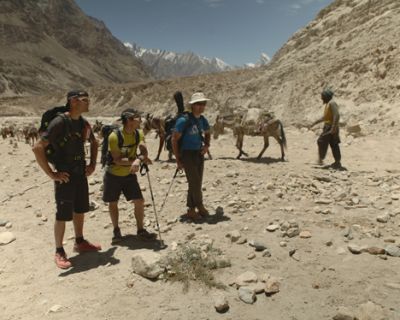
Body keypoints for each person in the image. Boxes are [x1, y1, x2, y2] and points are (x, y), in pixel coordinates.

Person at [32, 90, 100, 269]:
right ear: (73, 101)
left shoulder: (83, 123)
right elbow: (38, 148)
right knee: (62, 214)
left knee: (80, 209)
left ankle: (80, 242)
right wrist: (52, 174)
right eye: (85, 100)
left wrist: (92, 163)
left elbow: (94, 142)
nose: (88, 103)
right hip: (65, 175)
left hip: (80, 173)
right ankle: (59, 251)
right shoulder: (60, 122)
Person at [102, 108, 156, 242]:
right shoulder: (114, 137)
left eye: (138, 118)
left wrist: (140, 159)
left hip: (129, 174)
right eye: (135, 118)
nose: (138, 120)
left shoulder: (139, 134)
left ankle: (140, 230)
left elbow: (143, 150)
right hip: (113, 175)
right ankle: (116, 230)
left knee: (139, 201)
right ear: (127, 121)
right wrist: (137, 160)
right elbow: (117, 160)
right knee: (113, 202)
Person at [171, 92, 211, 220]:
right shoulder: (184, 120)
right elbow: (174, 139)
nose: (201, 106)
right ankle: (197, 206)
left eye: (203, 104)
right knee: (195, 182)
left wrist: (207, 145)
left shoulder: (202, 119)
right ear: (192, 105)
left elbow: (208, 132)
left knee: (196, 182)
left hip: (198, 153)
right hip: (187, 154)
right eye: (198, 104)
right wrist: (178, 160)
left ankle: (192, 209)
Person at [309, 89, 342, 169]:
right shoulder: (328, 104)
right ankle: (337, 162)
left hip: (331, 127)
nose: (321, 98)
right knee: (333, 144)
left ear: (326, 96)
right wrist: (316, 122)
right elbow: (326, 117)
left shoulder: (332, 103)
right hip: (328, 126)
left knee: (321, 141)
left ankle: (321, 160)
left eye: (322, 96)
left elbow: (336, 115)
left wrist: (333, 127)